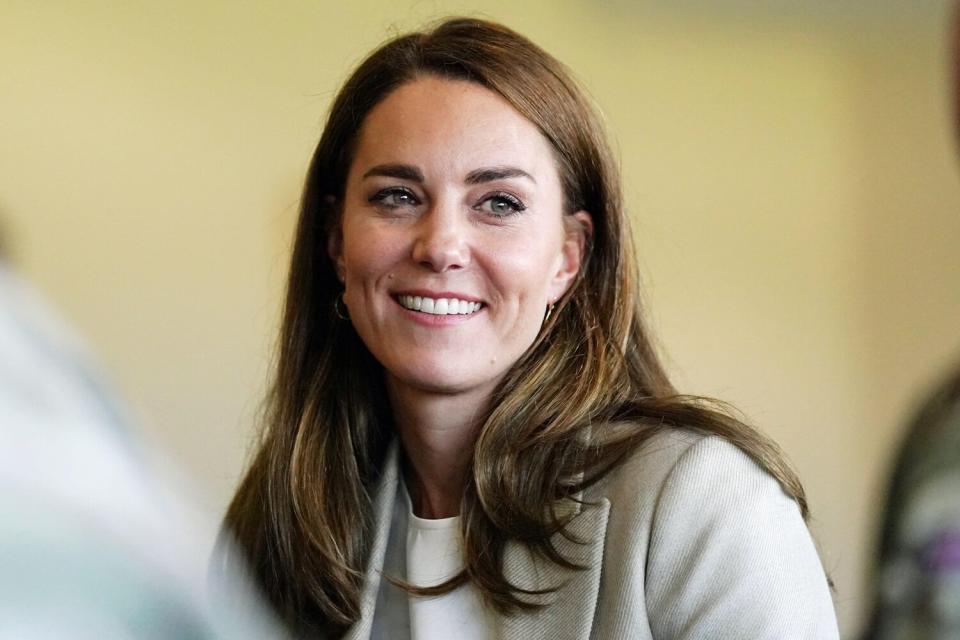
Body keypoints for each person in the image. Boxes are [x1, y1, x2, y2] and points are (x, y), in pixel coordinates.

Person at [223, 17, 838, 639]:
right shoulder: (274, 525)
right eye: (397, 197)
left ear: (568, 258)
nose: (442, 247)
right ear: (336, 240)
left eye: (499, 203)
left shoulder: (702, 501)